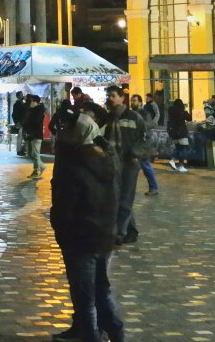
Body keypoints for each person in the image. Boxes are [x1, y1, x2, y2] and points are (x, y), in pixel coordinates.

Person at [51, 110, 125, 342]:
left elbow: (64, 208)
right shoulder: (108, 158)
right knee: (101, 289)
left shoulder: (73, 165)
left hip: (80, 238)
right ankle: (117, 333)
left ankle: (90, 336)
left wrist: (61, 232)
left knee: (84, 297)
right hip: (104, 235)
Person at [103, 86, 144, 245]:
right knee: (117, 198)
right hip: (112, 163)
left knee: (125, 199)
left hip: (129, 164)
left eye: (113, 95)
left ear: (121, 98)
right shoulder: (107, 118)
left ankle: (119, 233)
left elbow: (145, 139)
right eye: (108, 96)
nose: (110, 98)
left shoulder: (134, 117)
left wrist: (134, 153)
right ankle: (130, 231)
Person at [129, 94, 160, 196]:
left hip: (142, 143)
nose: (132, 102)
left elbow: (148, 126)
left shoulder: (143, 113)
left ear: (140, 102)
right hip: (136, 143)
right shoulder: (132, 113)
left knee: (145, 165)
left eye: (134, 101)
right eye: (132, 101)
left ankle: (154, 187)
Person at [23, 93, 47, 179]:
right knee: (30, 154)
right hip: (30, 134)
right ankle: (42, 166)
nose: (30, 103)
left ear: (35, 102)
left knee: (35, 154)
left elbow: (36, 121)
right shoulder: (31, 110)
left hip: (37, 134)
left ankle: (36, 171)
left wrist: (28, 119)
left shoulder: (39, 110)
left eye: (31, 101)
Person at [165, 98, 191, 173]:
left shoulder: (171, 111)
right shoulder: (182, 112)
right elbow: (189, 118)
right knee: (184, 149)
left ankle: (177, 164)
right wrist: (185, 111)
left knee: (179, 148)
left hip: (174, 133)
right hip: (181, 133)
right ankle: (178, 164)